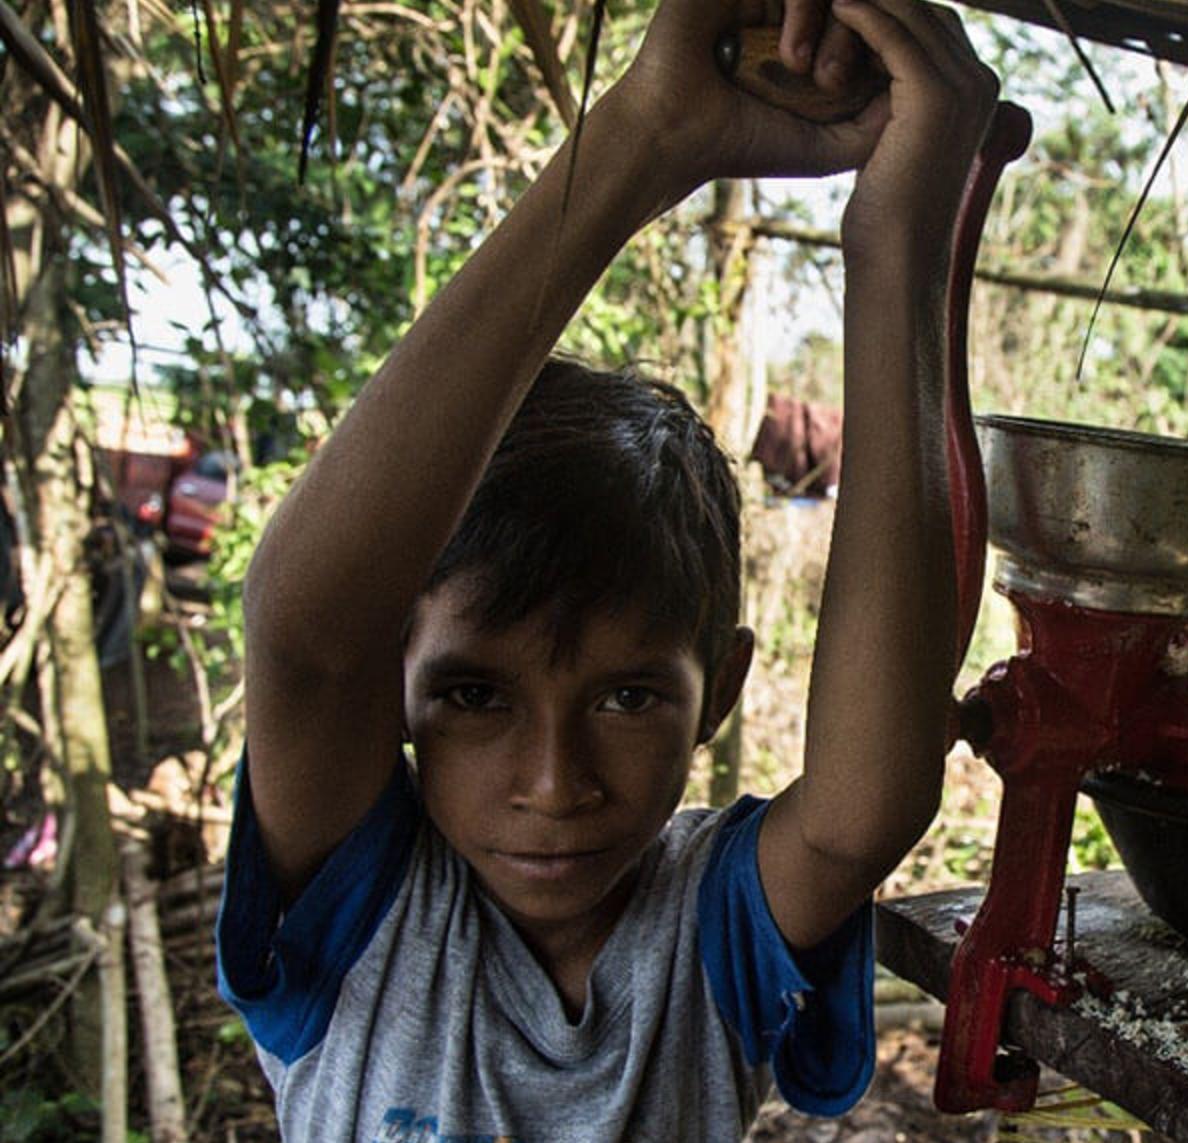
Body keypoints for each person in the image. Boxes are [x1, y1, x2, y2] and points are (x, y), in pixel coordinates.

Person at [213, 0, 998, 1136]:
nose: (554, 782)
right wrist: (645, 134)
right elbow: (302, 638)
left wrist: (896, 249)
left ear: (717, 692)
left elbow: (863, 809)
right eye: (474, 694)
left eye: (630, 696)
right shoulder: (361, 908)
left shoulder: (711, 927)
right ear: (399, 675)